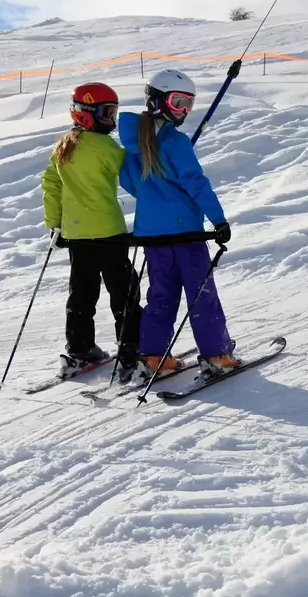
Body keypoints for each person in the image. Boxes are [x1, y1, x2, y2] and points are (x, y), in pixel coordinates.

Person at [119, 68, 238, 380]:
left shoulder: (133, 144)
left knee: (161, 294)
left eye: (188, 103)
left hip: (153, 237)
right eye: (178, 101)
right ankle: (217, 354)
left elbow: (132, 184)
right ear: (157, 100)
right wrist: (218, 219)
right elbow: (196, 183)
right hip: (186, 234)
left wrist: (159, 195)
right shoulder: (176, 142)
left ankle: (154, 355)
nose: (184, 110)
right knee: (200, 294)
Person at [41, 82, 138, 375]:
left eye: (114, 112)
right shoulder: (107, 147)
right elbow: (132, 176)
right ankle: (133, 349)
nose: (111, 119)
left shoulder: (63, 145)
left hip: (76, 234)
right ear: (85, 113)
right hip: (108, 232)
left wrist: (54, 223)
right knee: (123, 291)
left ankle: (80, 348)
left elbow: (51, 183)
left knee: (82, 293)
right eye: (107, 113)